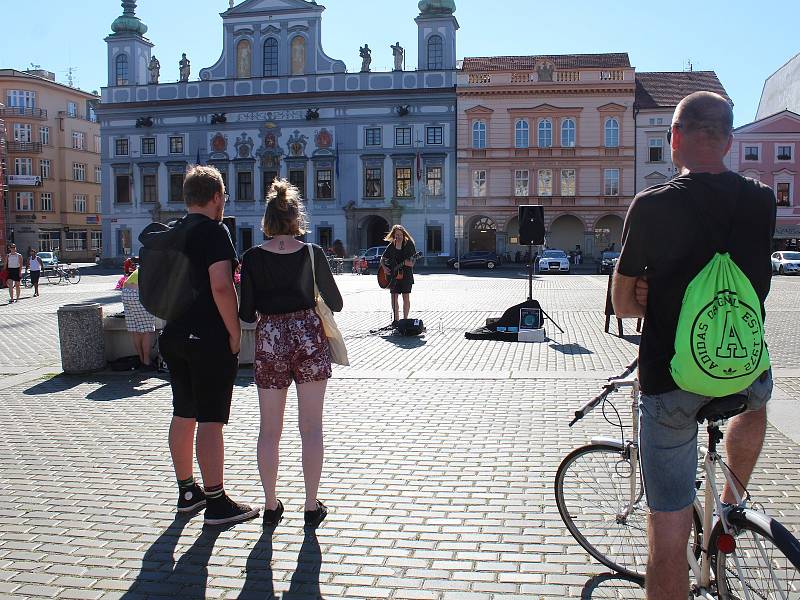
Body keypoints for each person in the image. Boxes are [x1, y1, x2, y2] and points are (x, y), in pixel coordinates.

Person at [612, 91, 776, 599]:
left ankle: (691, 534)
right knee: (758, 401)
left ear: (675, 139)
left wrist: (653, 297)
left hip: (671, 381)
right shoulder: (763, 198)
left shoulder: (652, 205)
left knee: (666, 536)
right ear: (728, 140)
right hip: (745, 370)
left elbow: (622, 302)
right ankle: (730, 505)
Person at [158, 165, 259, 526]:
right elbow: (221, 285)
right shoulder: (215, 232)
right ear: (216, 196)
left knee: (183, 413)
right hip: (207, 338)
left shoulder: (172, 232)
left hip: (174, 334)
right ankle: (216, 502)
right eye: (224, 196)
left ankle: (188, 491)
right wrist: (234, 332)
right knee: (211, 421)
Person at [239, 179, 342, 529]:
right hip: (309, 339)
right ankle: (311, 505)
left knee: (270, 430)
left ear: (267, 220)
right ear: (297, 218)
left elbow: (246, 313)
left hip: (270, 339)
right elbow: (338, 303)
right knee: (311, 427)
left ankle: (270, 506)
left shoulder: (251, 258)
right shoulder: (312, 253)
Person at [381, 225, 417, 325]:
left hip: (406, 276)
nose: (398, 237)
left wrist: (407, 263)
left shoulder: (409, 244)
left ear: (404, 234)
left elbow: (412, 263)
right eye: (396, 235)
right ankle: (396, 321)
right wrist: (384, 268)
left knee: (406, 297)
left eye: (400, 234)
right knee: (394, 297)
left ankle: (405, 320)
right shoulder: (392, 245)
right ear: (393, 235)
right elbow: (382, 259)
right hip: (393, 277)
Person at [121, 267, 156, 369]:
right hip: (137, 293)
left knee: (135, 330)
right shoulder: (156, 269)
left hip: (126, 291)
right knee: (146, 331)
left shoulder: (142, 267)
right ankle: (146, 361)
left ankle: (141, 359)